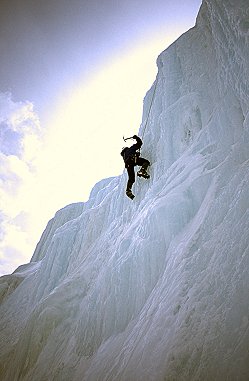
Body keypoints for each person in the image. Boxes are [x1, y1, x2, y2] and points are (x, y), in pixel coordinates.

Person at [120, 135, 150, 199]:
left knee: (131, 178)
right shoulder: (130, 149)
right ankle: (142, 171)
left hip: (128, 165)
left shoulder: (124, 157)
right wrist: (136, 137)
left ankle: (128, 190)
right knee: (146, 162)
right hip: (133, 159)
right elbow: (139, 143)